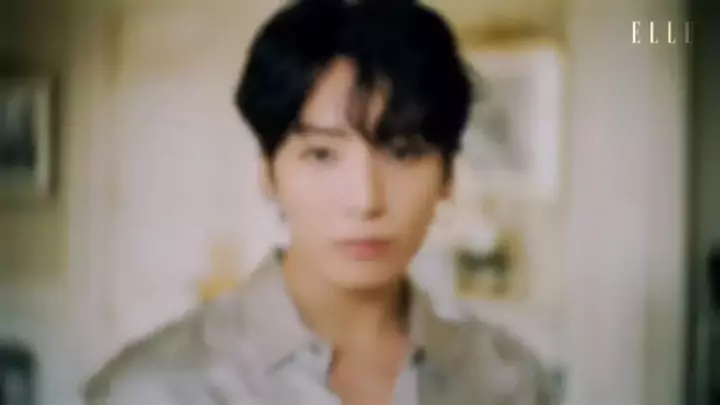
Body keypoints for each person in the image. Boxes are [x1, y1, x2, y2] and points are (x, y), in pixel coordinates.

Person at [84, 0, 558, 404]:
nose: (365, 200)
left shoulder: (508, 381)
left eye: (403, 152)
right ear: (269, 173)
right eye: (322, 155)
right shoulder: (157, 389)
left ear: (448, 176)